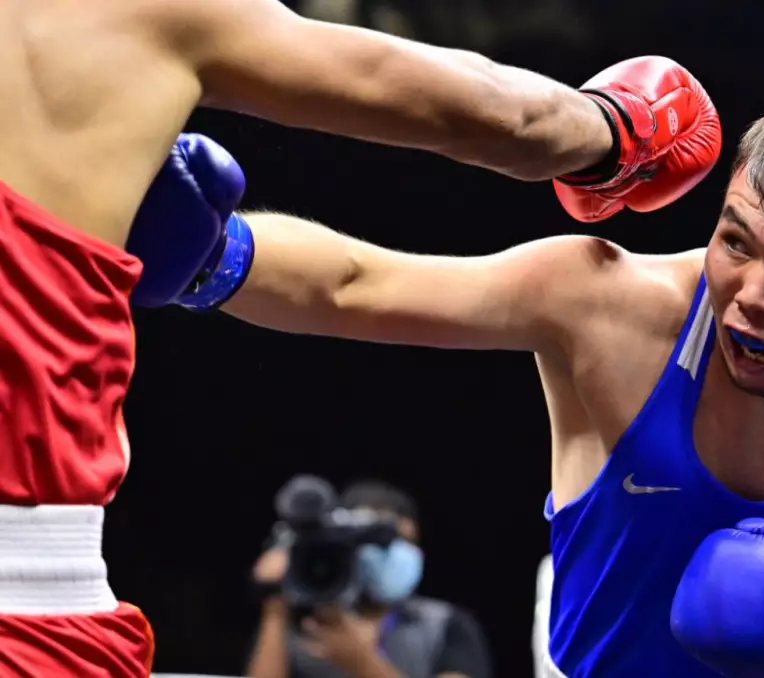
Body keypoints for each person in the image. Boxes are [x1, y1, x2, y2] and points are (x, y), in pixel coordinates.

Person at [136, 87, 764, 677]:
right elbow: (360, 284)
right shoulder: (608, 309)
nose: (752, 294)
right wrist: (210, 253)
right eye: (735, 242)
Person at [0, 0, 719, 673]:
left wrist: (209, 260)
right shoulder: (135, 13)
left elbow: (352, 286)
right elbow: (506, 117)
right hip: (33, 607)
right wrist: (617, 128)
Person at [246, 480, 491, 678]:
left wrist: (363, 664)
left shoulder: (445, 625)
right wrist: (275, 607)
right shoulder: (303, 625)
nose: (394, 553)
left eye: (406, 542)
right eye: (379, 542)